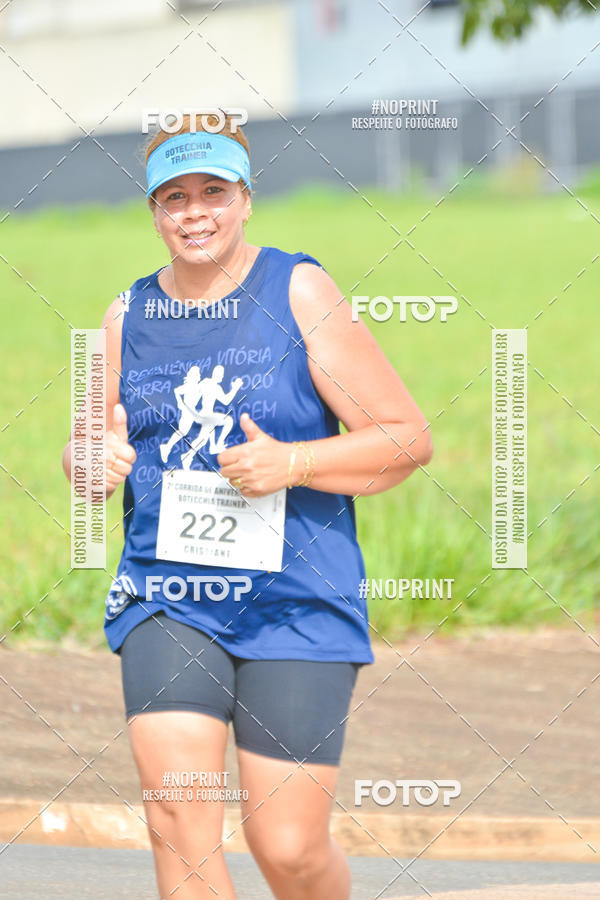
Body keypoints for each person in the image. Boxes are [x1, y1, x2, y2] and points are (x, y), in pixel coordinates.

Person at [62, 114, 433, 899]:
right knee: (176, 818)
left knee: (288, 847)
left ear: (245, 199)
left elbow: (405, 440)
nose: (194, 213)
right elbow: (85, 450)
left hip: (295, 598)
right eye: (174, 197)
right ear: (155, 211)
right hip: (168, 593)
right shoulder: (125, 316)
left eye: (213, 192)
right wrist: (92, 462)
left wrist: (290, 461)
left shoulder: (298, 289)